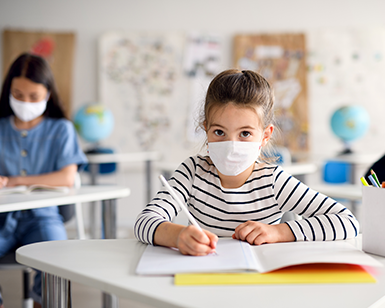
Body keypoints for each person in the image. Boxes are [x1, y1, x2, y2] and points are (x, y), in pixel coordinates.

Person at [134, 69, 359, 256]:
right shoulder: (192, 172)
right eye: (219, 132)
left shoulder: (273, 181)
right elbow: (144, 221)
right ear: (206, 130)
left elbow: (347, 222)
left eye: (245, 134)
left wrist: (278, 232)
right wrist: (178, 235)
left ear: (265, 135)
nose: (231, 145)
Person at [0, 53, 87, 307]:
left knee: (56, 259)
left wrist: (13, 181)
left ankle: (44, 303)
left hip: (43, 216)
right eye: (18, 95)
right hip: (2, 217)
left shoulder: (61, 129)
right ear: (8, 92)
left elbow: (66, 177)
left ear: (48, 94)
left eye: (33, 97)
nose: (25, 102)